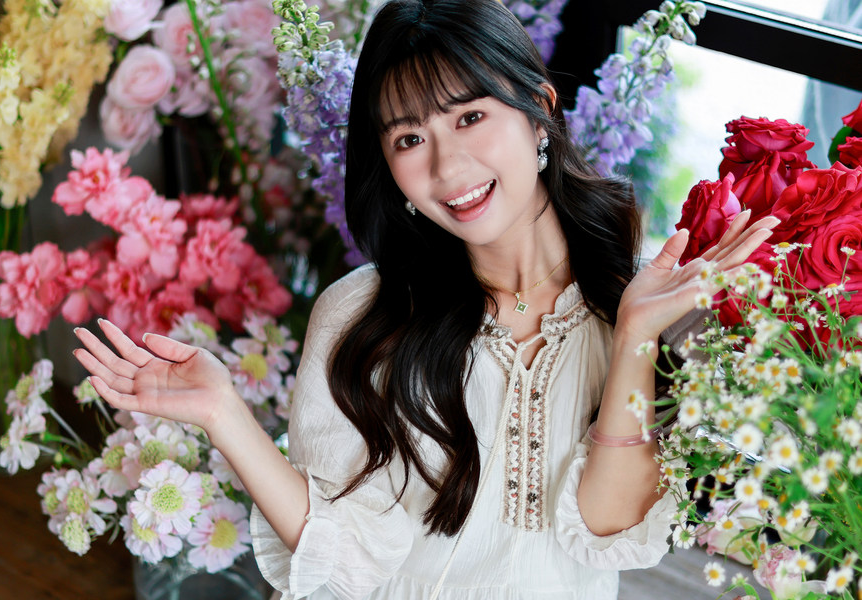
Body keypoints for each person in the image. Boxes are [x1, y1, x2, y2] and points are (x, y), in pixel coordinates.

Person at [73, 0, 778, 598]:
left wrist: (634, 339)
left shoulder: (646, 298)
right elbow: (345, 561)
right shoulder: (360, 317)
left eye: (470, 117)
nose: (446, 167)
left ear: (540, 110)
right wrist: (224, 414)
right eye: (410, 137)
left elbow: (608, 529)